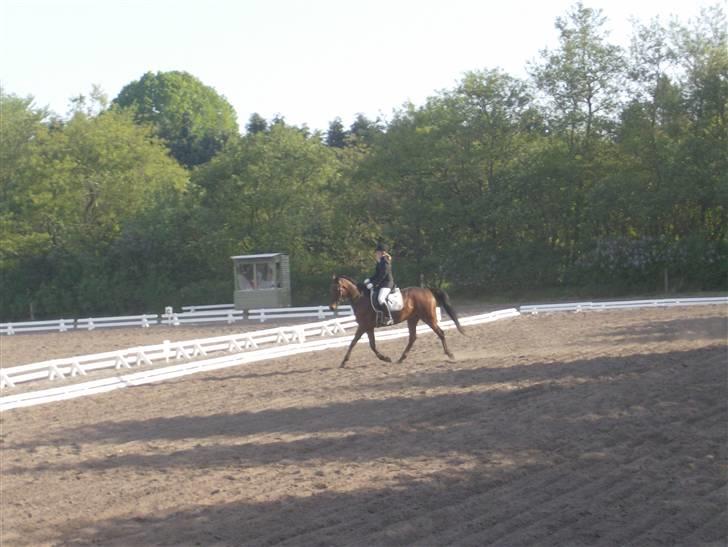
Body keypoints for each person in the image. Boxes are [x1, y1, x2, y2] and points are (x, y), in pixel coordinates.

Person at [364, 242, 395, 325]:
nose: (376, 254)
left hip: (387, 283)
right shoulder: (380, 262)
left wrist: (373, 284)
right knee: (373, 296)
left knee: (381, 298)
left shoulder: (385, 262)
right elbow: (377, 275)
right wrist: (369, 279)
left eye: (377, 253)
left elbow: (382, 276)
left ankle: (389, 317)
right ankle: (378, 317)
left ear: (382, 253)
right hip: (382, 284)